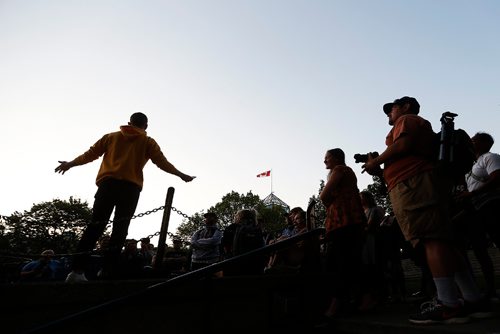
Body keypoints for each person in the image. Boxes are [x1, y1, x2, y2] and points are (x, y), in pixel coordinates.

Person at [362, 96, 488, 324]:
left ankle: (448, 303)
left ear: (406, 106)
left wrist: (375, 161)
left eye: (392, 109)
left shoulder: (408, 119)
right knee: (443, 241)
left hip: (413, 185)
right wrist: (379, 169)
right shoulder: (411, 125)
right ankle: (471, 298)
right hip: (416, 183)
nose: (389, 114)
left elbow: (403, 145)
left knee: (432, 240)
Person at [55, 112, 195, 282]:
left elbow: (90, 154)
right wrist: (180, 174)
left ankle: (76, 272)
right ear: (146, 126)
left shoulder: (111, 137)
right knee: (120, 229)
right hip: (130, 188)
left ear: (129, 123)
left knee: (95, 226)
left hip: (107, 185)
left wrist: (70, 163)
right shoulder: (147, 141)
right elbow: (161, 162)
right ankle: (107, 271)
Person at [319, 148, 368, 318]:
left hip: (344, 222)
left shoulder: (340, 170)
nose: (324, 160)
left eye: (327, 157)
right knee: (349, 261)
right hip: (348, 222)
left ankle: (336, 305)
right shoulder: (347, 173)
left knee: (341, 263)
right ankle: (357, 299)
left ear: (336, 158)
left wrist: (328, 200)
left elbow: (323, 196)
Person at [456, 132, 500, 301]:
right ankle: (490, 288)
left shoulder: (490, 157)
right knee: (479, 249)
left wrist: (472, 193)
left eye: (473, 140)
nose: (470, 142)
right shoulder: (472, 165)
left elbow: (497, 178)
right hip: (476, 210)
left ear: (483, 143)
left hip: (492, 206)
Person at [224, 209, 266, 276]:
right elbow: (263, 247)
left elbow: (227, 248)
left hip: (238, 266)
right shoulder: (257, 228)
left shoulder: (233, 228)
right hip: (256, 267)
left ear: (239, 217)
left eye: (236, 216)